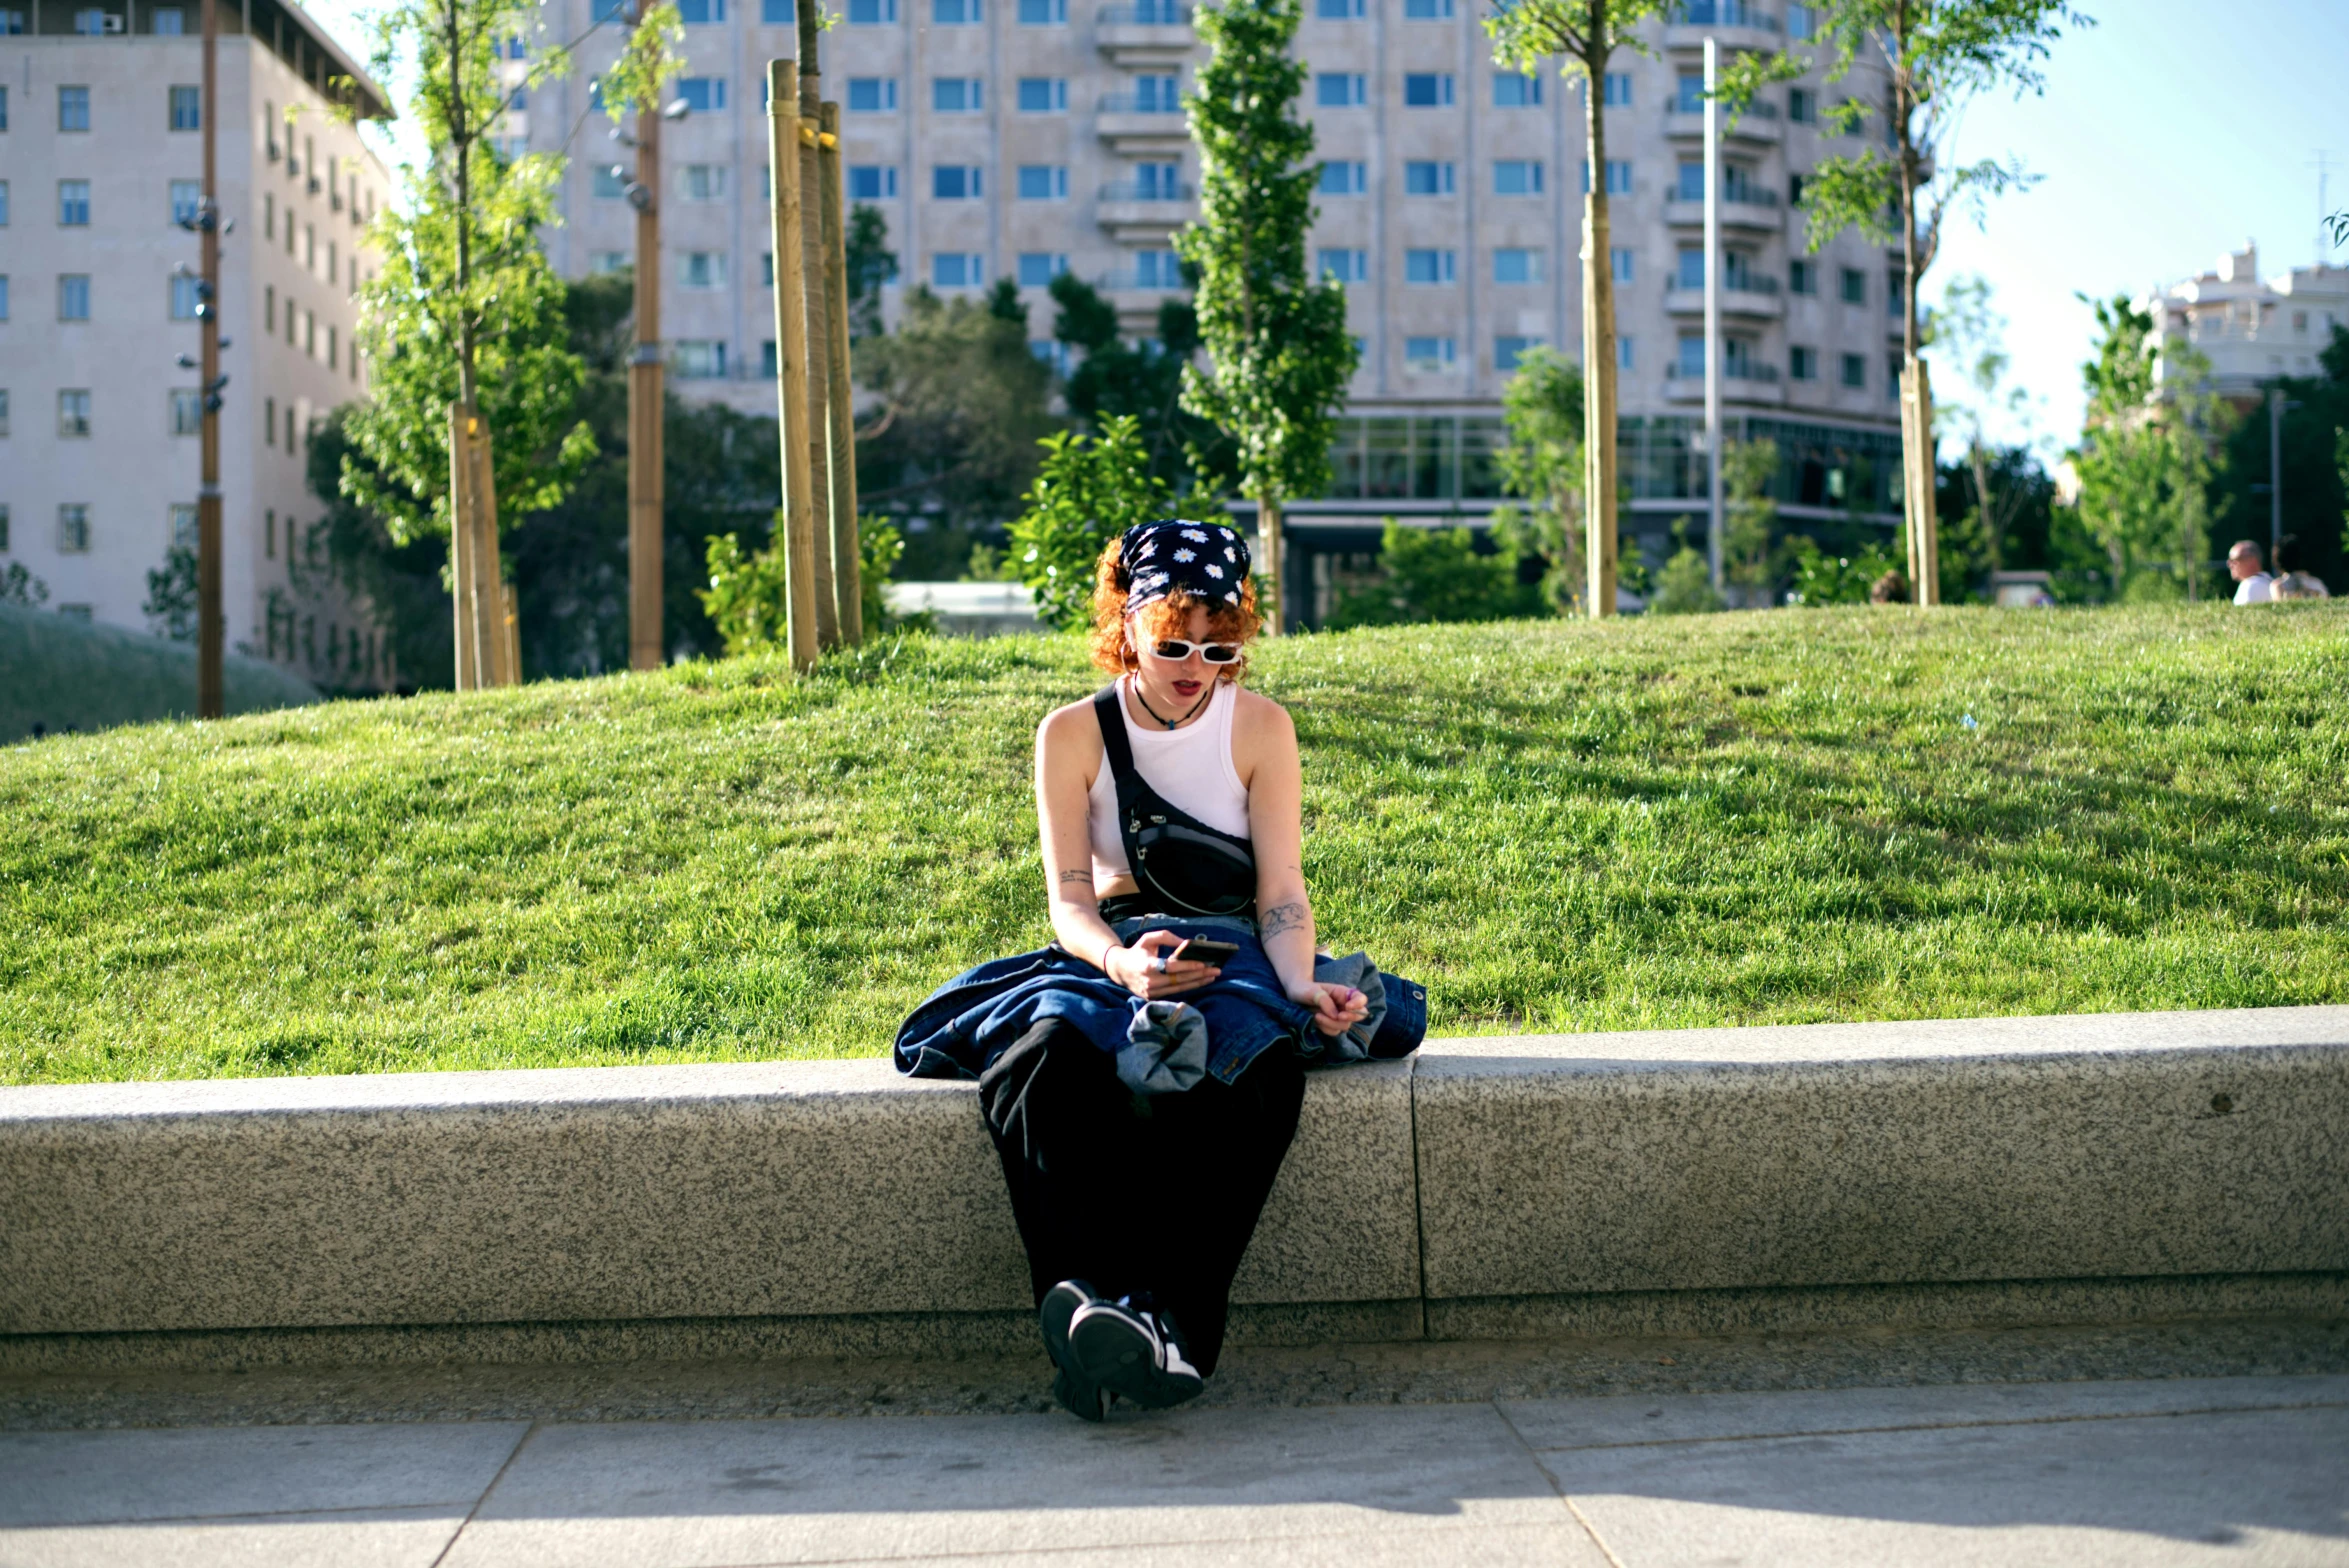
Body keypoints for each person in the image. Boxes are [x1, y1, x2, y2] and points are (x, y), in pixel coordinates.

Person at [894, 519, 1421, 1422]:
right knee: (1040, 1061)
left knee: (1249, 1074)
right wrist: (1122, 964)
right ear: (1125, 623)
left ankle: (1168, 1335)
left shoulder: (1260, 727)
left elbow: (1282, 891)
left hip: (1230, 950)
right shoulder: (1071, 734)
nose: (1193, 664)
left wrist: (1298, 981)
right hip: (1114, 950)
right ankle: (1097, 1314)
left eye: (1217, 646)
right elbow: (1069, 905)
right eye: (1172, 639)